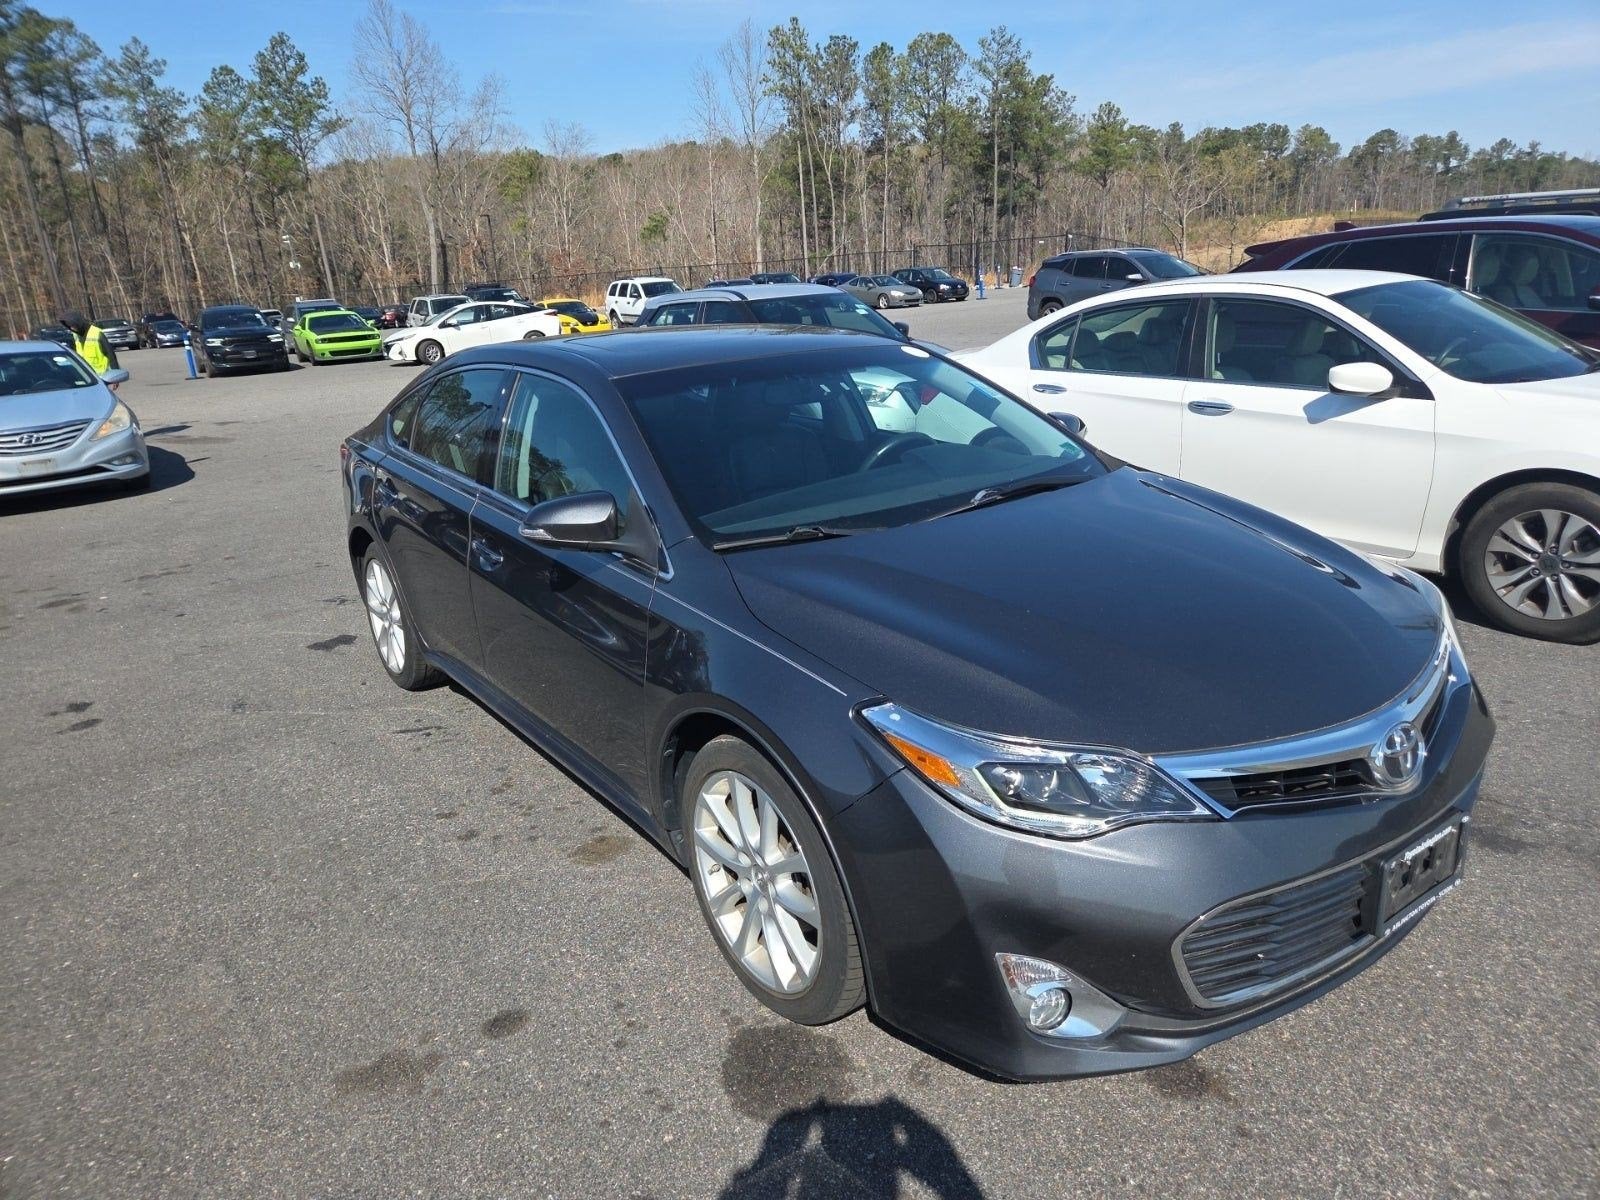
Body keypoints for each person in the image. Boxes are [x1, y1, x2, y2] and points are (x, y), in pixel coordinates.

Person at [60, 311, 119, 379]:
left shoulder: (96, 333)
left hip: (103, 376)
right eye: (70, 327)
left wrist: (115, 375)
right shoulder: (75, 336)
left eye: (73, 326)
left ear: (78, 323)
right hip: (85, 376)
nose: (72, 328)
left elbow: (110, 354)